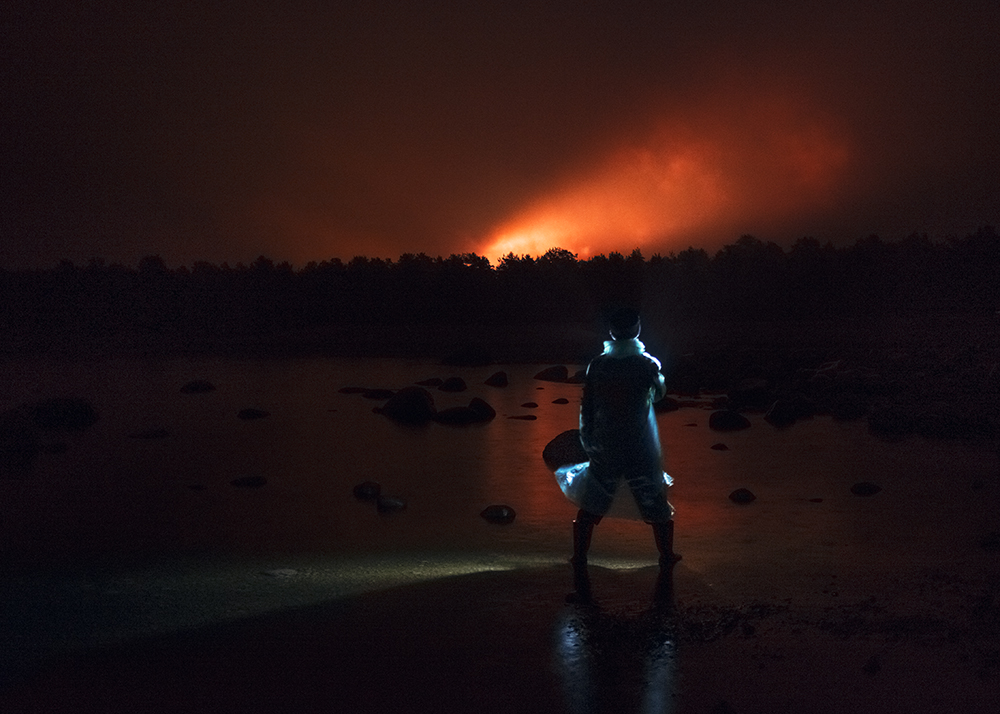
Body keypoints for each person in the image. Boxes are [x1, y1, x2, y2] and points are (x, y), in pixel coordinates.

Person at [571, 307, 680, 568]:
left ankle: (579, 556)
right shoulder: (646, 364)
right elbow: (659, 394)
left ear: (612, 332)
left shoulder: (598, 365)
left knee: (593, 500)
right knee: (653, 498)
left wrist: (587, 439)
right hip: (640, 443)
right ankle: (666, 555)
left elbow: (587, 404)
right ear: (636, 330)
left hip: (605, 443)